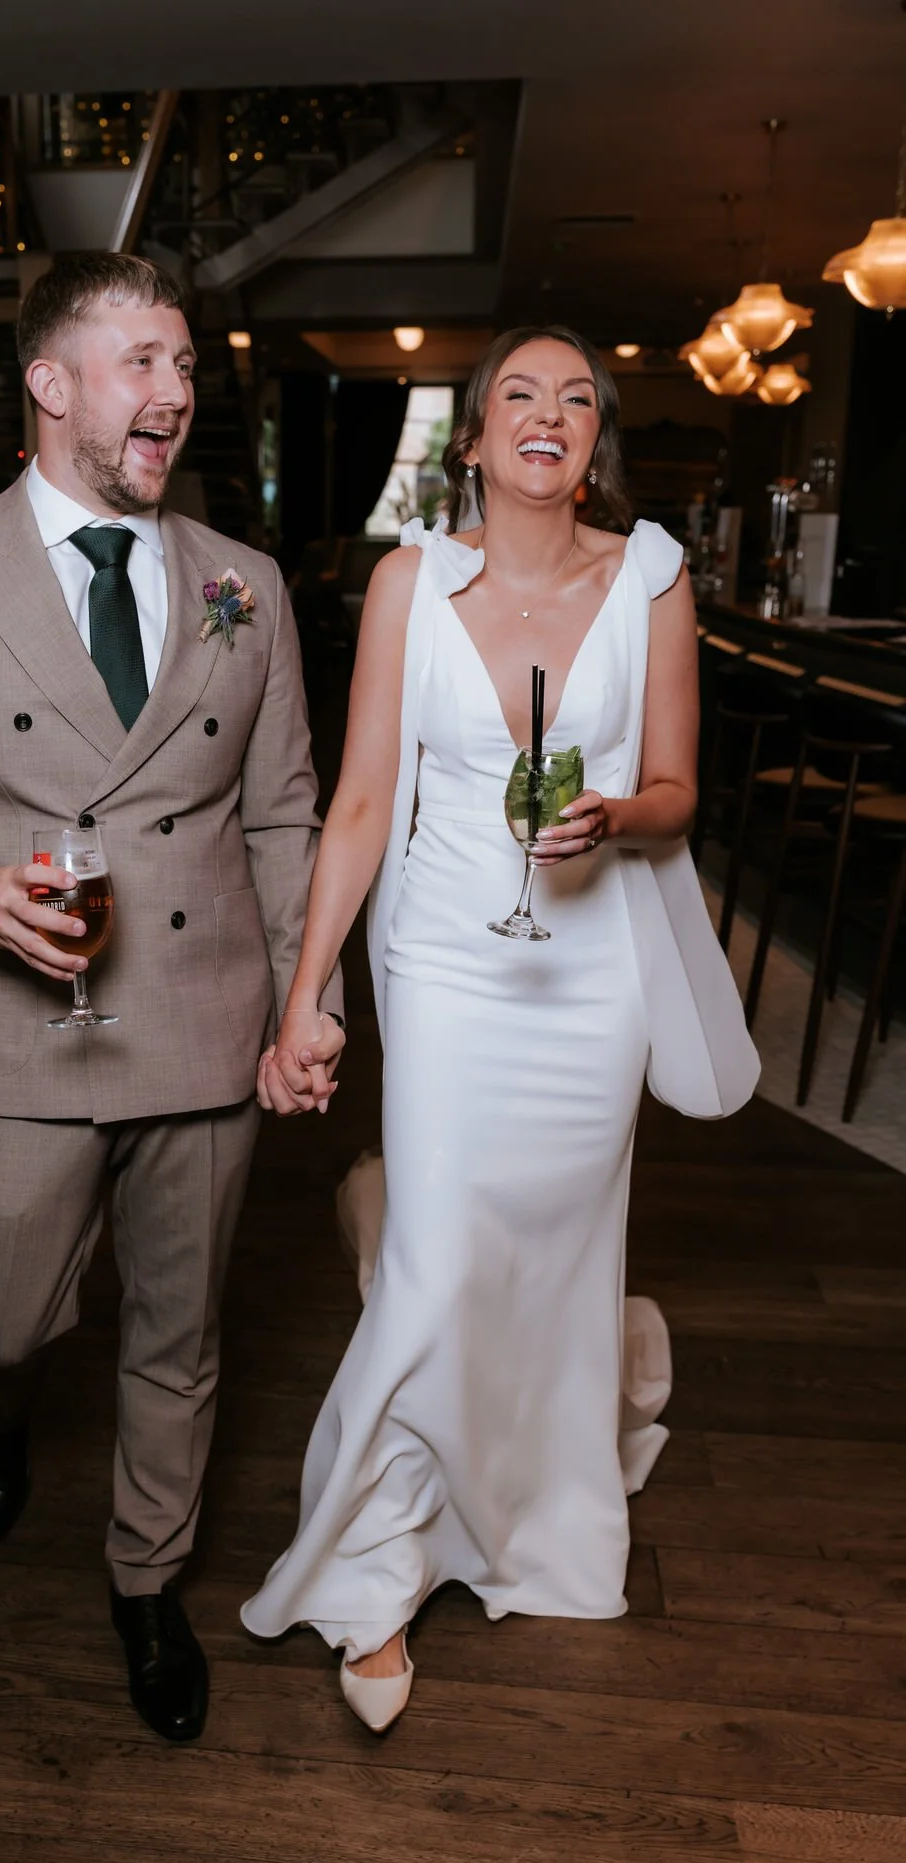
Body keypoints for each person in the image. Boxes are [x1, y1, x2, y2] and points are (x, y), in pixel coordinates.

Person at [0, 252, 341, 1744]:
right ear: (51, 385)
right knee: (6, 1314)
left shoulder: (243, 586)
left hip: (199, 1013)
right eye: (138, 362)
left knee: (177, 1338)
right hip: (10, 1026)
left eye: (184, 365)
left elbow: (282, 814)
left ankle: (145, 1582)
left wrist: (307, 1003)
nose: (172, 394)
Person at [242, 326, 758, 1731]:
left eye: (576, 399)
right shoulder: (410, 584)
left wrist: (614, 816)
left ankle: (533, 1515)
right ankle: (375, 1563)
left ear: (594, 443)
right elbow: (359, 804)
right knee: (439, 1255)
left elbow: (673, 788)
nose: (549, 415)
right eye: (517, 397)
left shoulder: (645, 575)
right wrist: (309, 992)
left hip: (586, 968)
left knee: (554, 1247)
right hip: (451, 968)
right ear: (470, 439)